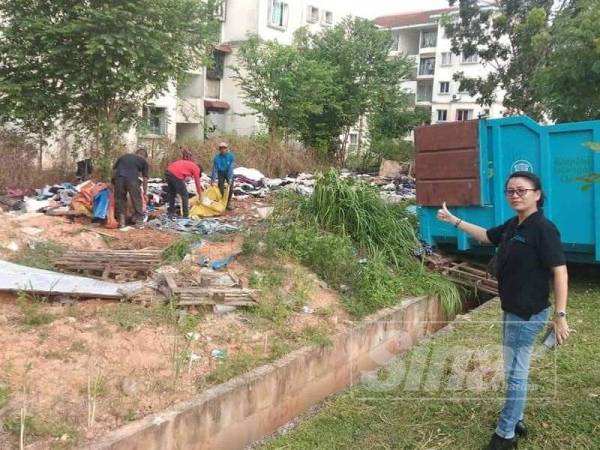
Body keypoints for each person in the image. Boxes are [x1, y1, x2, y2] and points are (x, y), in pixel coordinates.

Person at [436, 171, 569, 450]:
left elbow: (560, 271)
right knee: (514, 370)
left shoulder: (543, 229)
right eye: (510, 191)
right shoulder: (514, 225)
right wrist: (454, 221)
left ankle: (506, 434)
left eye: (522, 190)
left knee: (515, 374)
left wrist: (560, 315)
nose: (515, 195)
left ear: (537, 194)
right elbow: (486, 236)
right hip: (512, 309)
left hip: (528, 312)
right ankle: (516, 418)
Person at [113, 146, 149, 227]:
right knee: (136, 198)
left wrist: (113, 183)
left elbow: (114, 170)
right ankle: (139, 221)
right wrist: (145, 193)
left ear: (136, 153)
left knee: (120, 199)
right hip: (132, 179)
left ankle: (121, 221)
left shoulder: (124, 156)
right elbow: (145, 179)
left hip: (119, 178)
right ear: (145, 156)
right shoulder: (144, 161)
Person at [165, 148, 202, 218]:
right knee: (185, 194)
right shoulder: (196, 169)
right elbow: (197, 183)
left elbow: (182, 176)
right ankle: (186, 215)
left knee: (172, 193)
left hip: (168, 171)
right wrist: (200, 195)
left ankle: (171, 212)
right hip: (174, 173)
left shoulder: (189, 164)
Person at [210, 142, 235, 210]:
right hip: (220, 173)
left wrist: (230, 179)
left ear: (227, 149)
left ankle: (228, 203)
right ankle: (222, 201)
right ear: (219, 149)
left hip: (228, 172)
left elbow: (231, 168)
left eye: (224, 148)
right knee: (220, 187)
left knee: (230, 188)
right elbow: (214, 170)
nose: (223, 150)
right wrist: (213, 180)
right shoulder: (217, 158)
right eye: (221, 148)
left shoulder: (231, 156)